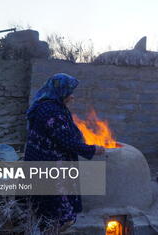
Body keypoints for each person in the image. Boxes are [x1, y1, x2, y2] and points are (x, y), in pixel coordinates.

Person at [24, 73, 105, 232]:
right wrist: (93, 149)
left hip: (42, 160)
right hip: (48, 164)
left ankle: (45, 226)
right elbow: (66, 140)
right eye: (69, 92)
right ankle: (51, 228)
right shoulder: (51, 111)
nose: (72, 96)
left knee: (45, 206)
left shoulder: (49, 105)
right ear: (61, 91)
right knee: (61, 214)